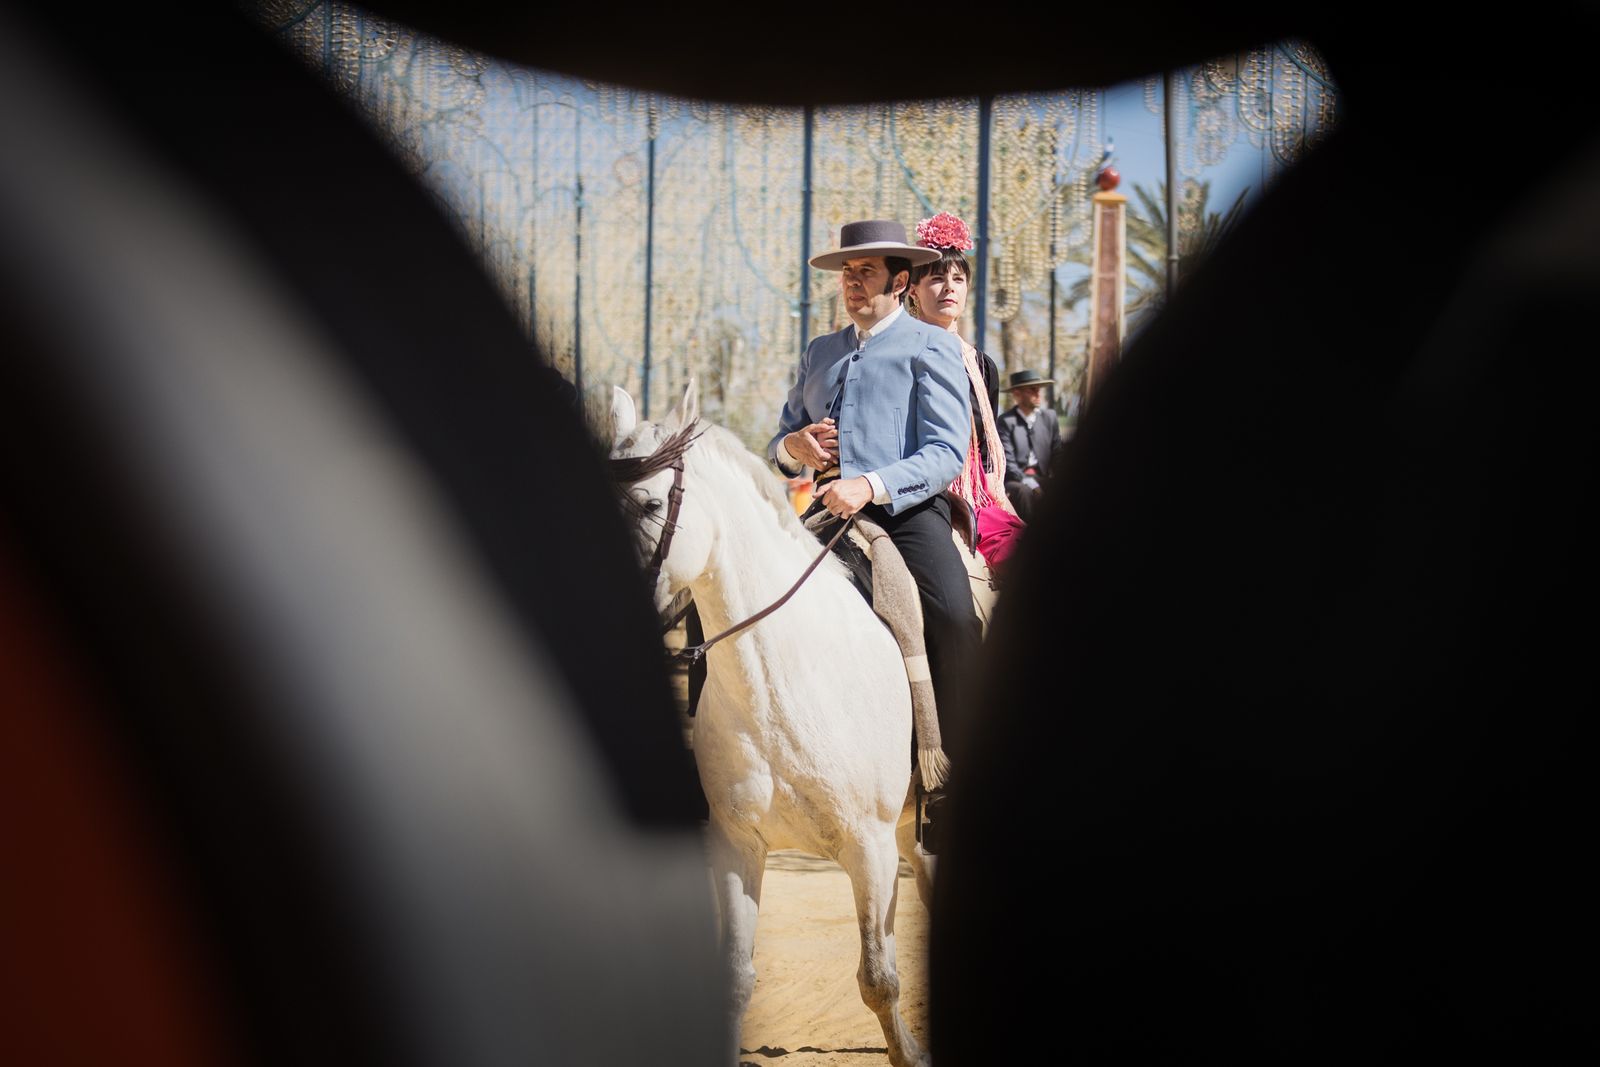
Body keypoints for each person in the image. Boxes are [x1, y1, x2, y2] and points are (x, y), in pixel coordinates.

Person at [768, 218, 981, 823]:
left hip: (909, 511)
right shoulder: (820, 352)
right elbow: (779, 442)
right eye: (847, 274)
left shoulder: (933, 345)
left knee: (955, 617)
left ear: (901, 280)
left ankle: (957, 779)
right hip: (825, 512)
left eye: (866, 272)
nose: (852, 284)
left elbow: (944, 452)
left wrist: (872, 483)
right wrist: (796, 449)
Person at [906, 212, 1016, 559]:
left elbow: (986, 451)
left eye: (958, 278)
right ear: (913, 291)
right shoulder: (901, 353)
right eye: (937, 279)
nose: (949, 287)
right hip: (921, 495)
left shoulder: (982, 366)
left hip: (979, 500)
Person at [997, 368, 1062, 522]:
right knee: (1023, 491)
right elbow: (1008, 461)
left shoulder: (1049, 417)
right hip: (1016, 480)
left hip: (1042, 477)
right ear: (1017, 394)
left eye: (1039, 389)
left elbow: (1057, 453)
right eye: (1033, 390)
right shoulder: (1006, 421)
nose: (1038, 394)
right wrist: (1030, 482)